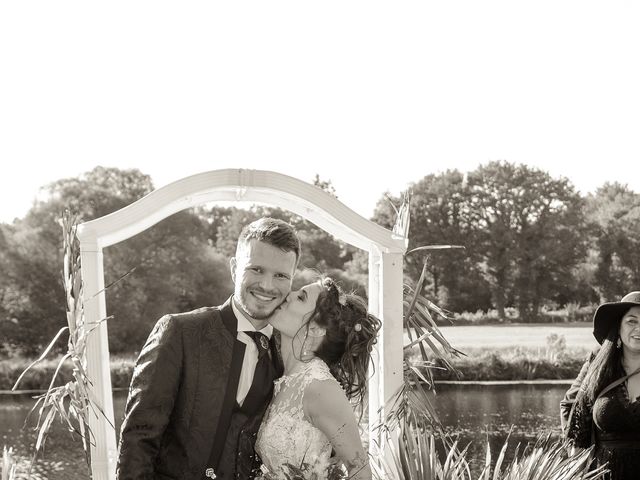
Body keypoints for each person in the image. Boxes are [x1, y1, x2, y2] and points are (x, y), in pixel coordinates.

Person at [116, 217, 301, 480]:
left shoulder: (290, 352)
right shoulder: (179, 332)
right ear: (235, 269)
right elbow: (138, 438)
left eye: (281, 275)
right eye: (256, 269)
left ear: (291, 280)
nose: (268, 286)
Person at [255, 277, 380, 480]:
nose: (289, 295)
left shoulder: (321, 388)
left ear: (315, 329)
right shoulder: (281, 376)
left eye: (301, 297)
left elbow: (361, 471)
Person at [560, 291, 640, 480]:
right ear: (618, 325)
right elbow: (574, 410)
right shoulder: (599, 363)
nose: (639, 329)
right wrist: (576, 465)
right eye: (632, 321)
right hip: (602, 473)